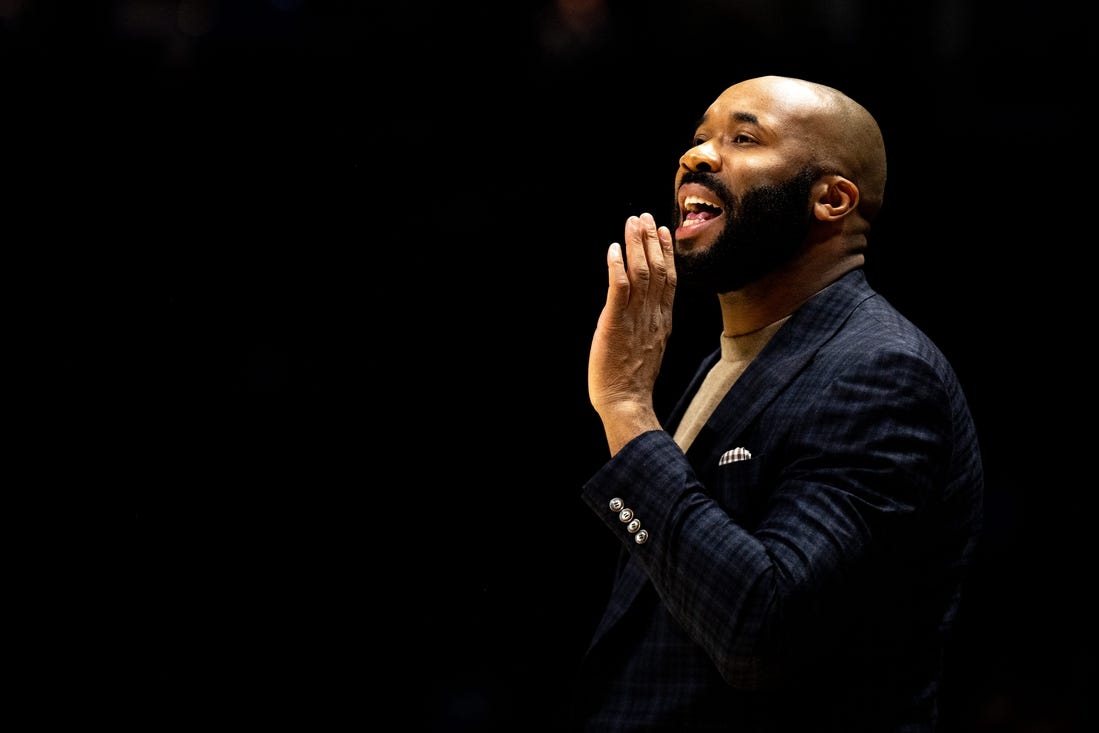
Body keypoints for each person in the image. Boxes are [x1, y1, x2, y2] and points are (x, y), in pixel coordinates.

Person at [573, 75, 983, 732]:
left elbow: (759, 631)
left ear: (831, 199)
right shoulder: (730, 358)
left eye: (742, 138)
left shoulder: (879, 371)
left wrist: (625, 408)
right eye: (699, 137)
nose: (696, 157)